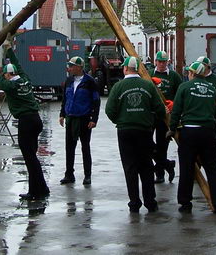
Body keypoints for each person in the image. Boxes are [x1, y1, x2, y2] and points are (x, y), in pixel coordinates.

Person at [105, 56, 166, 213]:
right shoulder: (148, 86)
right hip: (144, 130)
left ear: (125, 68)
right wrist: (149, 119)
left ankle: (134, 202)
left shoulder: (118, 87)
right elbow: (159, 108)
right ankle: (150, 202)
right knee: (146, 166)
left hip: (125, 131)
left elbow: (109, 110)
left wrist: (120, 120)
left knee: (130, 167)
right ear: (138, 68)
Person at [168, 61, 216, 215]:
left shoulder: (184, 87)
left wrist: (172, 128)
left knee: (187, 168)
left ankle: (185, 203)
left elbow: (176, 110)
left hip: (190, 132)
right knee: (213, 168)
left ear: (192, 73)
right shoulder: (212, 89)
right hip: (208, 132)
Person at [0, 62, 50, 201]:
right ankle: (42, 188)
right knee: (32, 157)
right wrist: (10, 49)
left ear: (9, 75)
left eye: (5, 75)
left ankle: (36, 191)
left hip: (26, 122)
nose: (4, 77)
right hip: (36, 119)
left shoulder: (11, 86)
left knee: (30, 159)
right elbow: (20, 66)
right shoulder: (25, 80)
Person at [59, 56, 100, 185]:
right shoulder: (69, 81)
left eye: (71, 66)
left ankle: (87, 175)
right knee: (69, 148)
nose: (69, 68)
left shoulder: (90, 82)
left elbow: (96, 101)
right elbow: (65, 99)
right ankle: (69, 174)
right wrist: (62, 114)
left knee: (85, 147)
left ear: (79, 67)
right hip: (71, 118)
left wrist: (94, 119)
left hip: (84, 118)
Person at [150, 50, 182, 183]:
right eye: (160, 61)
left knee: (162, 145)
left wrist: (174, 104)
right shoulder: (150, 74)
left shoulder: (174, 76)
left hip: (166, 115)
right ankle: (167, 164)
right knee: (147, 143)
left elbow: (181, 94)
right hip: (151, 114)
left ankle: (160, 174)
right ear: (155, 62)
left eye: (164, 62)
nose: (162, 64)